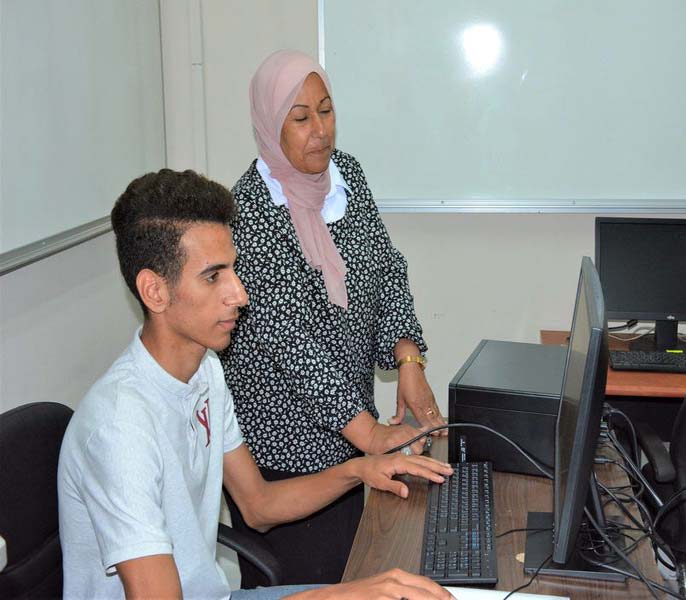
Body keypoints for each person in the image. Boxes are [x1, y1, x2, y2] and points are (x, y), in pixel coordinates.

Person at [57, 168, 454, 600]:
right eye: (214, 276)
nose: (240, 294)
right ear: (154, 291)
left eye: (234, 269)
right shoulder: (119, 427)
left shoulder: (205, 370)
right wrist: (338, 596)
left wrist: (361, 470)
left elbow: (258, 506)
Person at [219, 49, 447, 584]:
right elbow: (290, 343)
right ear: (271, 125)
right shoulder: (248, 210)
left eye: (326, 111)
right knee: (311, 584)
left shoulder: (348, 176)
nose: (320, 130)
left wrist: (408, 359)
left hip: (349, 436)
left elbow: (386, 267)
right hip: (284, 452)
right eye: (300, 118)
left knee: (353, 574)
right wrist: (369, 434)